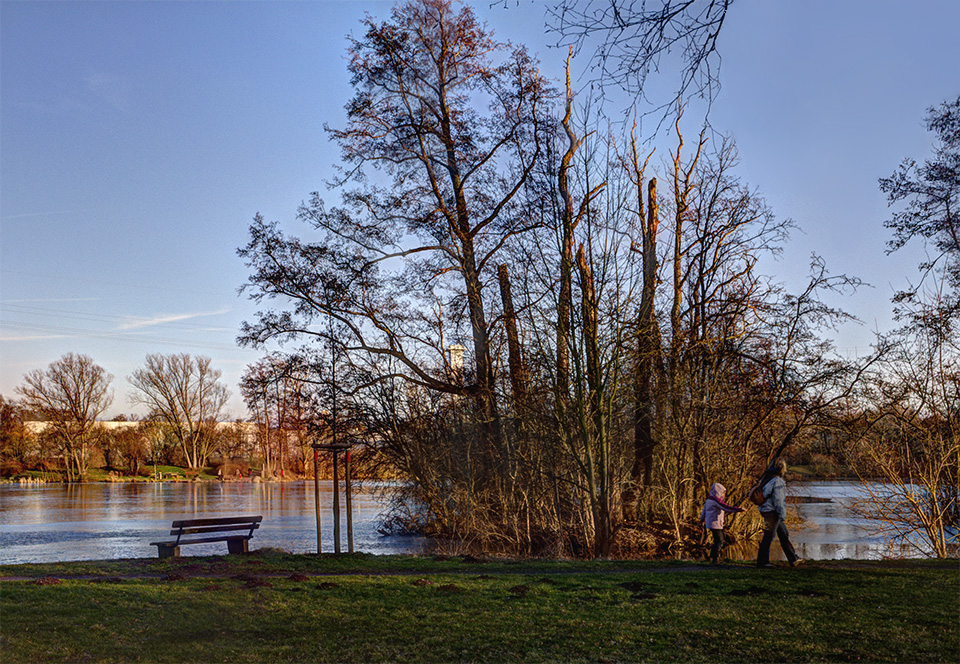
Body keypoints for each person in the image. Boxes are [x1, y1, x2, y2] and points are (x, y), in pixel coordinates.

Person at [755, 458, 804, 568]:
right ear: (782, 468)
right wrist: (782, 514)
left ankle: (793, 558)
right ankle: (763, 562)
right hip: (773, 512)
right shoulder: (777, 481)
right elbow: (778, 500)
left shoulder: (765, 478)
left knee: (783, 534)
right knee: (769, 536)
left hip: (765, 510)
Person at [699, 483, 745, 564]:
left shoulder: (709, 500)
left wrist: (702, 519)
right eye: (723, 493)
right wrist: (738, 509)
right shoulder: (716, 501)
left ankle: (712, 557)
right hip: (715, 523)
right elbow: (726, 507)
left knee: (717, 540)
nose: (723, 495)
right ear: (718, 492)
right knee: (719, 540)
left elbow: (704, 511)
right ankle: (715, 559)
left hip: (711, 523)